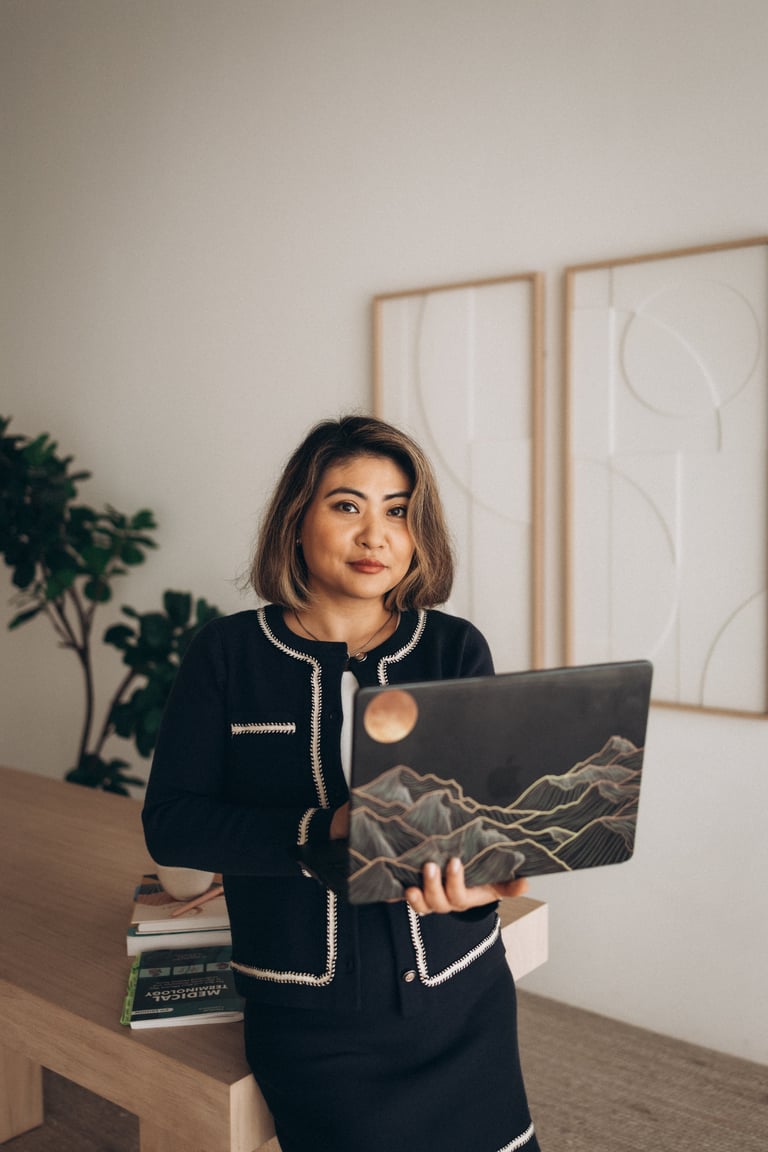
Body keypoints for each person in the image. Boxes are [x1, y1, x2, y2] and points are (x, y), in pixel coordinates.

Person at [142, 414, 540, 1152]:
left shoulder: (454, 647)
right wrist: (322, 830)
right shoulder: (227, 655)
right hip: (311, 1020)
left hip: (461, 1001)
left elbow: (482, 823)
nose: (375, 536)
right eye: (347, 505)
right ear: (297, 519)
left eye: (398, 512)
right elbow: (173, 823)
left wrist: (481, 888)